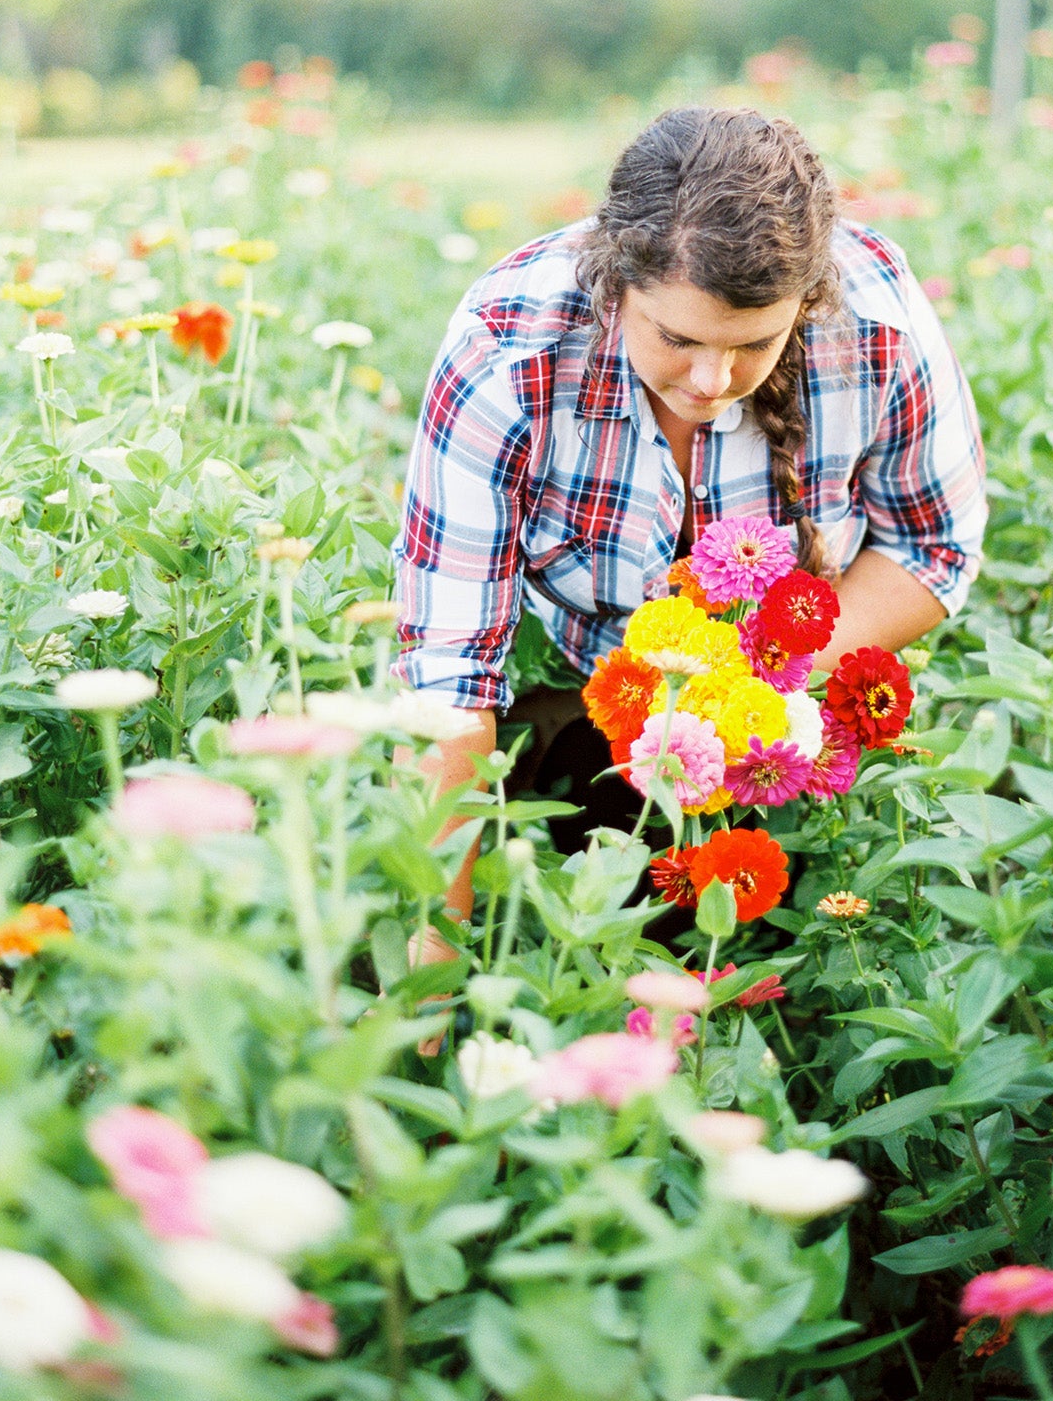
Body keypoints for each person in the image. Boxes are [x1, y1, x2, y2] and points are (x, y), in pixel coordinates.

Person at [393, 105, 986, 912]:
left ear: (806, 305)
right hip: (578, 689)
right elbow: (448, 683)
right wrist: (433, 941)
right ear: (614, 285)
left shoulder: (877, 322)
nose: (712, 382)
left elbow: (932, 546)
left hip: (785, 716)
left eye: (752, 345)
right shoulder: (506, 352)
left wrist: (748, 690)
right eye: (678, 339)